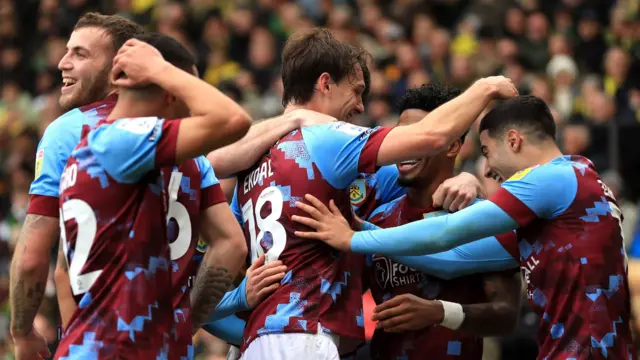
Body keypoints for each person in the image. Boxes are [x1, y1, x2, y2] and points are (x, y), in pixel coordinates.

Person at [218, 27, 517, 360]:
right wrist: (485, 86)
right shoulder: (333, 144)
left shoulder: (251, 170)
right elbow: (430, 137)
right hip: (304, 337)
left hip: (260, 341)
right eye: (356, 90)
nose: (361, 106)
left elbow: (202, 290)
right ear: (326, 83)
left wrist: (467, 178)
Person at [293, 96, 635, 359]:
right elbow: (452, 257)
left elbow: (448, 233)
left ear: (513, 140)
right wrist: (364, 227)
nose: (489, 168)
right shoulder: (566, 201)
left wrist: (354, 238)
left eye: (487, 152)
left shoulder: (553, 179)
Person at [54, 36, 250, 358]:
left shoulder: (92, 150)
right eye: (188, 87)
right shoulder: (120, 142)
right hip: (119, 349)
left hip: (96, 343)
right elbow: (233, 120)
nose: (192, 105)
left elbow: (62, 271)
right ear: (170, 91)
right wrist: (161, 68)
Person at [10, 13, 145, 360]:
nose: (61, 63)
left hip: (99, 342)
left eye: (80, 54)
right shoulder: (180, 134)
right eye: (66, 51)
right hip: (168, 341)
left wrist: (22, 331)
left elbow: (31, 258)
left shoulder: (68, 131)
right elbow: (226, 246)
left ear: (119, 69)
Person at [363, 84, 521, 359]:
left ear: (451, 146)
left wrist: (439, 312)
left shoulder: (482, 218)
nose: (404, 145)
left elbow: (506, 315)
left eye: (419, 135)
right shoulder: (378, 219)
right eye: (402, 135)